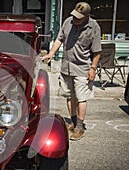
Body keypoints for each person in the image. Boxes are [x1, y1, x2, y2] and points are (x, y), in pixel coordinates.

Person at [42, 2, 101, 141]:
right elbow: (59, 39)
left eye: (79, 17)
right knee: (69, 96)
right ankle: (74, 122)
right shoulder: (68, 22)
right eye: (74, 16)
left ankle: (80, 127)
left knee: (81, 98)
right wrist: (51, 53)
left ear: (86, 16)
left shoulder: (94, 27)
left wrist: (93, 69)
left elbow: (97, 51)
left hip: (82, 68)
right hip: (66, 66)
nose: (75, 19)